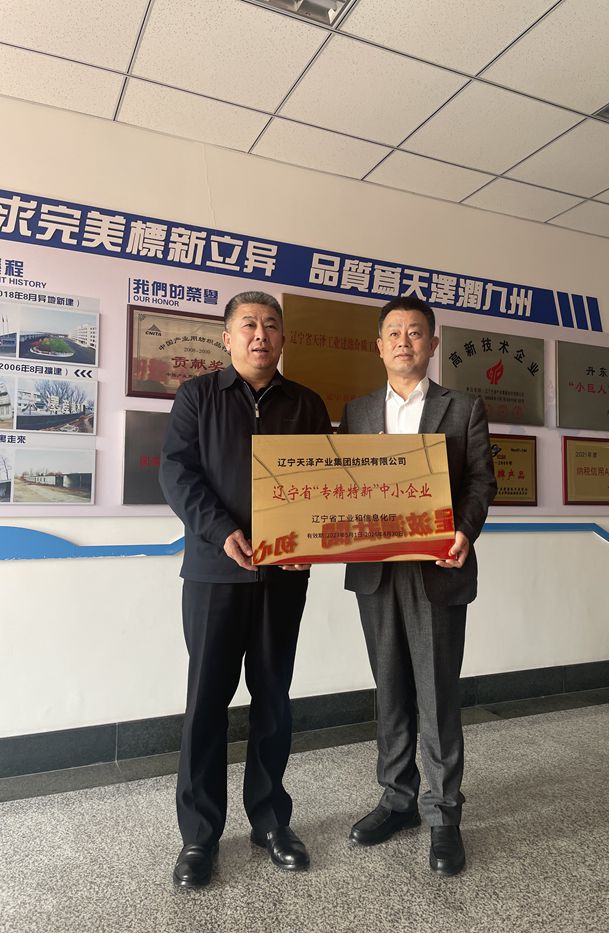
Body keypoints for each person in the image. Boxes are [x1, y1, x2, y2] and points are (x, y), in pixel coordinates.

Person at [160, 291, 331, 887]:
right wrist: (222, 530)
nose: (261, 335)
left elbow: (325, 483)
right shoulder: (198, 396)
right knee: (206, 703)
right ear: (227, 337)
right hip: (215, 573)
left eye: (271, 325)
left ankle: (270, 821)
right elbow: (177, 473)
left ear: (283, 338)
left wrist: (311, 542)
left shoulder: (306, 404)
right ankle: (199, 836)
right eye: (249, 325)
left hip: (283, 578)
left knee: (274, 699)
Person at [339, 295, 496, 876]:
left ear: (432, 343)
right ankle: (398, 799)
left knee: (436, 693)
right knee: (390, 690)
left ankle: (444, 814)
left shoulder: (464, 408)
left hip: (437, 567)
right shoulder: (356, 412)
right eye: (393, 333)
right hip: (377, 570)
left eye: (414, 332)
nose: (403, 341)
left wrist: (465, 530)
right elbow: (341, 486)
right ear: (378, 345)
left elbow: (481, 480)